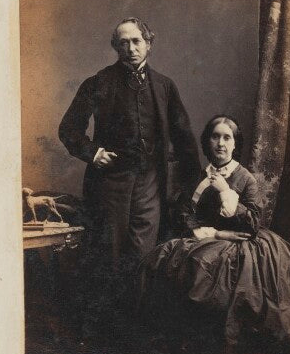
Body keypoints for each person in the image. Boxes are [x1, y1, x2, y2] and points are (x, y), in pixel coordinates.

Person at [139, 114, 290, 354]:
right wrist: (214, 233)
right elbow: (184, 214)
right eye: (215, 137)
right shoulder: (200, 176)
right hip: (207, 238)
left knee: (215, 275)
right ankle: (185, 343)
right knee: (161, 261)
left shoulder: (245, 179)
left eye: (227, 138)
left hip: (240, 244)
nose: (220, 143)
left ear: (235, 144)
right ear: (207, 141)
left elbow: (253, 224)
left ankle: (221, 347)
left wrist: (226, 191)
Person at [58, 17, 200, 268]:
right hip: (110, 183)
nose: (131, 49)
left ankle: (139, 296)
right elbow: (69, 129)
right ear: (116, 47)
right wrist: (94, 153)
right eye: (123, 43)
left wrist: (191, 185)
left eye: (136, 41)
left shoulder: (164, 86)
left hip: (150, 183)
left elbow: (184, 138)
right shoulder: (99, 82)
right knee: (110, 254)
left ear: (148, 44)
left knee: (143, 254)